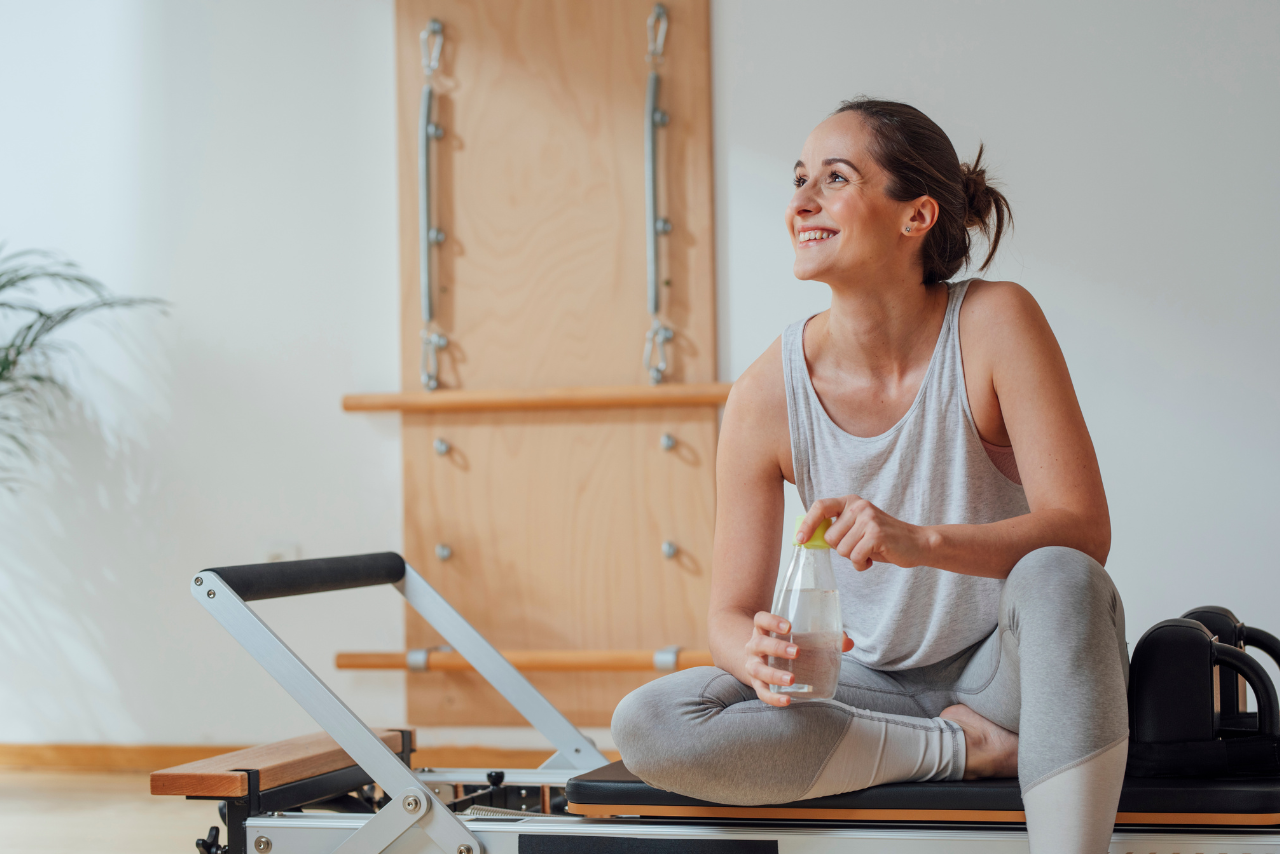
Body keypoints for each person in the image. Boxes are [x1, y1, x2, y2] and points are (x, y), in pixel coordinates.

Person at [612, 98, 1129, 854]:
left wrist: (919, 540)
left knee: (1061, 577)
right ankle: (964, 752)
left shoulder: (995, 324)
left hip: (1010, 676)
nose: (801, 201)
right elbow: (727, 615)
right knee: (651, 722)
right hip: (865, 692)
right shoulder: (764, 395)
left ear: (915, 216)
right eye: (798, 180)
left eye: (834, 178)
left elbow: (1084, 533)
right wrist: (753, 654)